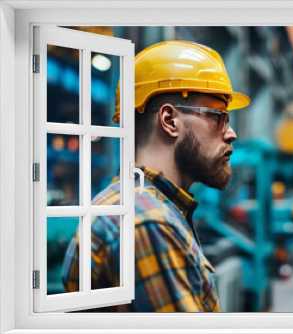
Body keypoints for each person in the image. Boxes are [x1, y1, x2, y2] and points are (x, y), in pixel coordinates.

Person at [62, 41, 250, 312]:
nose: (231, 133)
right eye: (219, 117)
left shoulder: (142, 207)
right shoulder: (148, 222)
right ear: (170, 121)